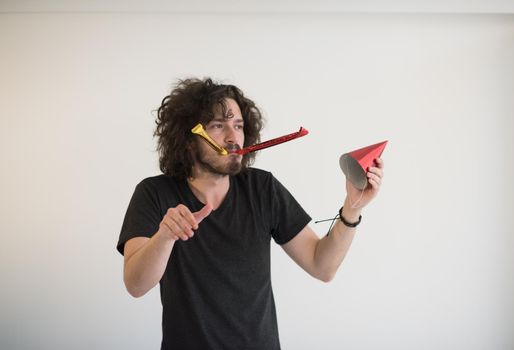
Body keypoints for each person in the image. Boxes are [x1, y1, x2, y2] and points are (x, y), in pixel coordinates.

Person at [117, 77, 384, 349]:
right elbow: (135, 285)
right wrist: (164, 237)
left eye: (239, 126)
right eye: (218, 126)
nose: (233, 138)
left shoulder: (262, 188)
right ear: (188, 139)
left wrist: (353, 207)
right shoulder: (154, 193)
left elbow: (322, 266)